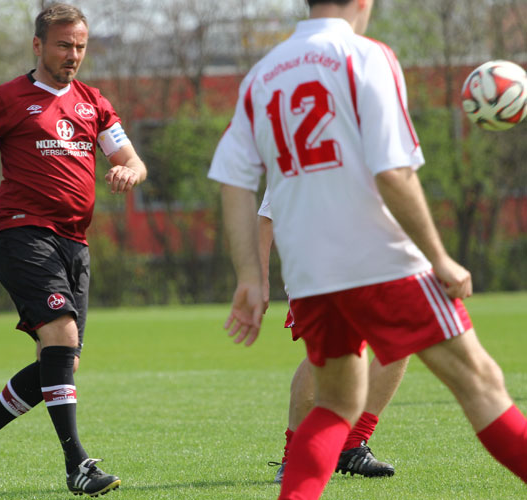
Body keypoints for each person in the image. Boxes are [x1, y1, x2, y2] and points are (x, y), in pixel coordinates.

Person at [208, 1, 527, 499]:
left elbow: (232, 179)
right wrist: (439, 257)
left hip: (311, 272)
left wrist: (249, 274)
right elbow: (394, 173)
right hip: (381, 260)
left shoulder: (263, 73)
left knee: (335, 404)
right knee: (482, 382)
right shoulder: (365, 56)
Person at [0, 4, 147, 499]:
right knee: (61, 333)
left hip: (75, 243)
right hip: (21, 233)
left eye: (79, 46)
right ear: (38, 46)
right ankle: (77, 464)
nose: (72, 54)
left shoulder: (93, 103)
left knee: (61, 361)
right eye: (63, 45)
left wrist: (128, 171)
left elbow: (131, 158)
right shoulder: (8, 98)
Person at [258, 202, 404, 484]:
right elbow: (267, 218)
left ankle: (352, 443)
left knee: (402, 334)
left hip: (368, 262)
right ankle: (297, 456)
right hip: (313, 271)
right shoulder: (292, 157)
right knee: (328, 351)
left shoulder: (369, 157)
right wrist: (258, 278)